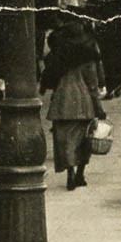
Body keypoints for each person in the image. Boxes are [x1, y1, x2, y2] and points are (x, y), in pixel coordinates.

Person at [41, 22, 105, 190]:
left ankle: (70, 171)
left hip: (61, 102)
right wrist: (98, 108)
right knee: (84, 139)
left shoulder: (58, 54)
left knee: (65, 140)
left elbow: (48, 78)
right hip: (82, 102)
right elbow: (92, 85)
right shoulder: (87, 55)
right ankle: (80, 174)